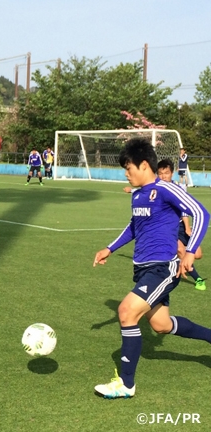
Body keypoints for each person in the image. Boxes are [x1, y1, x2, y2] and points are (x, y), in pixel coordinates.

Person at [93, 138, 211, 399]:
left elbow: (202, 213)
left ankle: (126, 384)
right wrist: (109, 248)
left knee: (126, 311)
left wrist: (190, 251)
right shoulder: (138, 195)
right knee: (160, 325)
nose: (126, 173)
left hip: (163, 267)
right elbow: (134, 226)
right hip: (143, 268)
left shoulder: (166, 189)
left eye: (129, 168)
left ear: (144, 164)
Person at [122, 158, 206, 291]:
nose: (163, 176)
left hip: (183, 226)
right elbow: (148, 194)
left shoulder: (176, 188)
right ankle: (197, 278)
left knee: (198, 254)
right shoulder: (158, 188)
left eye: (166, 173)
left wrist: (188, 227)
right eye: (160, 173)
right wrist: (131, 191)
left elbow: (186, 209)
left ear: (172, 173)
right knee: (180, 250)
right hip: (170, 228)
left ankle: (177, 263)